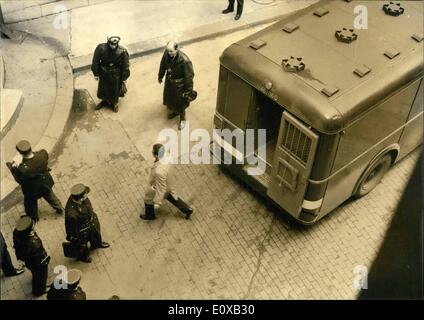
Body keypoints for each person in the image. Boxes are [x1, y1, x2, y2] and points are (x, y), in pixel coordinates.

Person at [6, 140, 64, 222]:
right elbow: (42, 156)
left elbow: (19, 179)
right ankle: (59, 207)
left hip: (32, 189)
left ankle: (33, 217)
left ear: (20, 153)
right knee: (49, 194)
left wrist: (15, 165)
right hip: (45, 182)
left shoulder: (22, 169)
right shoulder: (42, 154)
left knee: (30, 203)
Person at [140, 144, 193, 220]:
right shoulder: (168, 156)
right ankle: (187, 210)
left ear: (156, 155)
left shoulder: (159, 171)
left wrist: (157, 203)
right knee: (173, 198)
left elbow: (161, 189)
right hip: (168, 181)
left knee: (148, 199)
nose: (151, 151)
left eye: (153, 151)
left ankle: (150, 215)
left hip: (160, 185)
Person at [65, 184, 110, 263]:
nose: (87, 196)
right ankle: (83, 256)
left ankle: (96, 244)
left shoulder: (78, 197)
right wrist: (75, 239)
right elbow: (71, 230)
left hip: (91, 222)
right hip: (82, 231)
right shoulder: (71, 214)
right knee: (82, 245)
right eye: (85, 195)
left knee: (95, 234)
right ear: (80, 199)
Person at [158, 41, 195, 130]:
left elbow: (189, 76)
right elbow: (162, 65)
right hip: (169, 82)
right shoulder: (166, 54)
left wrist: (188, 90)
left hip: (180, 85)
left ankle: (182, 118)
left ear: (177, 50)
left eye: (171, 51)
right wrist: (160, 76)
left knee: (180, 103)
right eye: (168, 51)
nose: (169, 53)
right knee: (170, 98)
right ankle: (174, 112)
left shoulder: (184, 60)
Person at [13, 216, 50, 297]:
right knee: (40, 276)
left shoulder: (17, 232)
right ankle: (39, 290)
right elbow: (38, 256)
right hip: (37, 263)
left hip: (29, 262)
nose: (34, 227)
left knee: (35, 273)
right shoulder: (33, 244)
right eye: (33, 226)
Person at [91, 36, 130, 113]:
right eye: (112, 43)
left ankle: (115, 103)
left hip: (116, 73)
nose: (113, 45)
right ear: (108, 41)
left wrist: (124, 78)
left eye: (115, 43)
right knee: (103, 87)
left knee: (115, 88)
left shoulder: (122, 51)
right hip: (104, 71)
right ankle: (104, 101)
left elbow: (125, 66)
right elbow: (95, 61)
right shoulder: (101, 48)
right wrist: (96, 73)